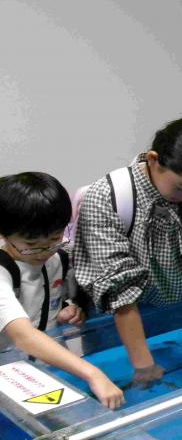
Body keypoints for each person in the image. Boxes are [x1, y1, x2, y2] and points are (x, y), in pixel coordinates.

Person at [73, 116, 182, 388]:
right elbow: (119, 290)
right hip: (115, 320)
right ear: (154, 160)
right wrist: (143, 364)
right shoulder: (107, 196)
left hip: (173, 308)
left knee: (174, 381)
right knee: (121, 386)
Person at [0, 172, 124, 409]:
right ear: (4, 235)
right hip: (9, 378)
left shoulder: (59, 260)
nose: (44, 252)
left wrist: (67, 308)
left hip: (47, 372)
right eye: (31, 245)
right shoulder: (3, 272)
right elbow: (23, 335)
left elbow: (55, 298)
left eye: (55, 239)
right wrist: (92, 373)